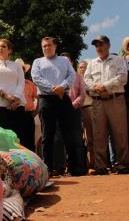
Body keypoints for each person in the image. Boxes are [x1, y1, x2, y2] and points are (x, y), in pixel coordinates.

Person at [31, 37, 87, 176]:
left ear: (55, 46)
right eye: (44, 46)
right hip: (46, 99)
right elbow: (36, 78)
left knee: (69, 134)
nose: (46, 48)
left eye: (49, 45)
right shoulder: (37, 62)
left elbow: (72, 75)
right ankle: (48, 169)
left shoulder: (64, 61)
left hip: (63, 99)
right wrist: (53, 88)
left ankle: (74, 168)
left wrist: (62, 87)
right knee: (47, 135)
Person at [84, 35, 129, 175]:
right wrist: (96, 88)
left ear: (108, 45)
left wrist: (104, 87)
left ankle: (123, 164)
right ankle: (101, 166)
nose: (99, 47)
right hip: (98, 102)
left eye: (101, 44)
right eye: (96, 45)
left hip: (116, 100)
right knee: (99, 135)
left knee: (120, 133)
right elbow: (86, 80)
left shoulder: (119, 60)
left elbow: (123, 77)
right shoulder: (91, 63)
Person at [0, 38, 27, 144]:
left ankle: (19, 160)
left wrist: (16, 98)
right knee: (2, 137)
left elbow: (21, 82)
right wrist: (6, 96)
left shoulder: (16, 65)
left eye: (3, 46)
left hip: (17, 105)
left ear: (9, 50)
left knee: (18, 136)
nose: (0, 48)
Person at [16, 58, 38, 152]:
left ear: (24, 71)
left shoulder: (30, 84)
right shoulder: (11, 84)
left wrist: (35, 112)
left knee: (29, 141)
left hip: (28, 114)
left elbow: (39, 98)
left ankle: (32, 165)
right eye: (18, 69)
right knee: (17, 141)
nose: (20, 71)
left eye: (22, 69)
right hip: (15, 114)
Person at [78, 60, 95, 169]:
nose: (82, 69)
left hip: (91, 108)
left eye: (84, 67)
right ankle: (87, 164)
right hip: (78, 110)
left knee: (94, 137)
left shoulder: (91, 80)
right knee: (83, 139)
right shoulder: (75, 80)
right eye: (80, 67)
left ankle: (95, 163)